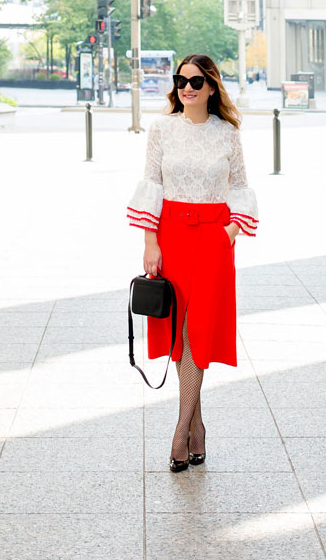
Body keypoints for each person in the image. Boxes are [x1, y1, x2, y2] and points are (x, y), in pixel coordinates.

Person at [127, 53, 258, 472]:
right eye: (181, 80)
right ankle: (197, 428)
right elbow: (153, 182)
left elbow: (240, 187)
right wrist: (151, 243)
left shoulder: (227, 134)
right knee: (180, 333)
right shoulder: (162, 128)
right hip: (171, 238)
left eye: (196, 81)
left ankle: (180, 430)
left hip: (214, 238)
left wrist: (229, 234)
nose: (187, 87)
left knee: (199, 330)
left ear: (212, 87)